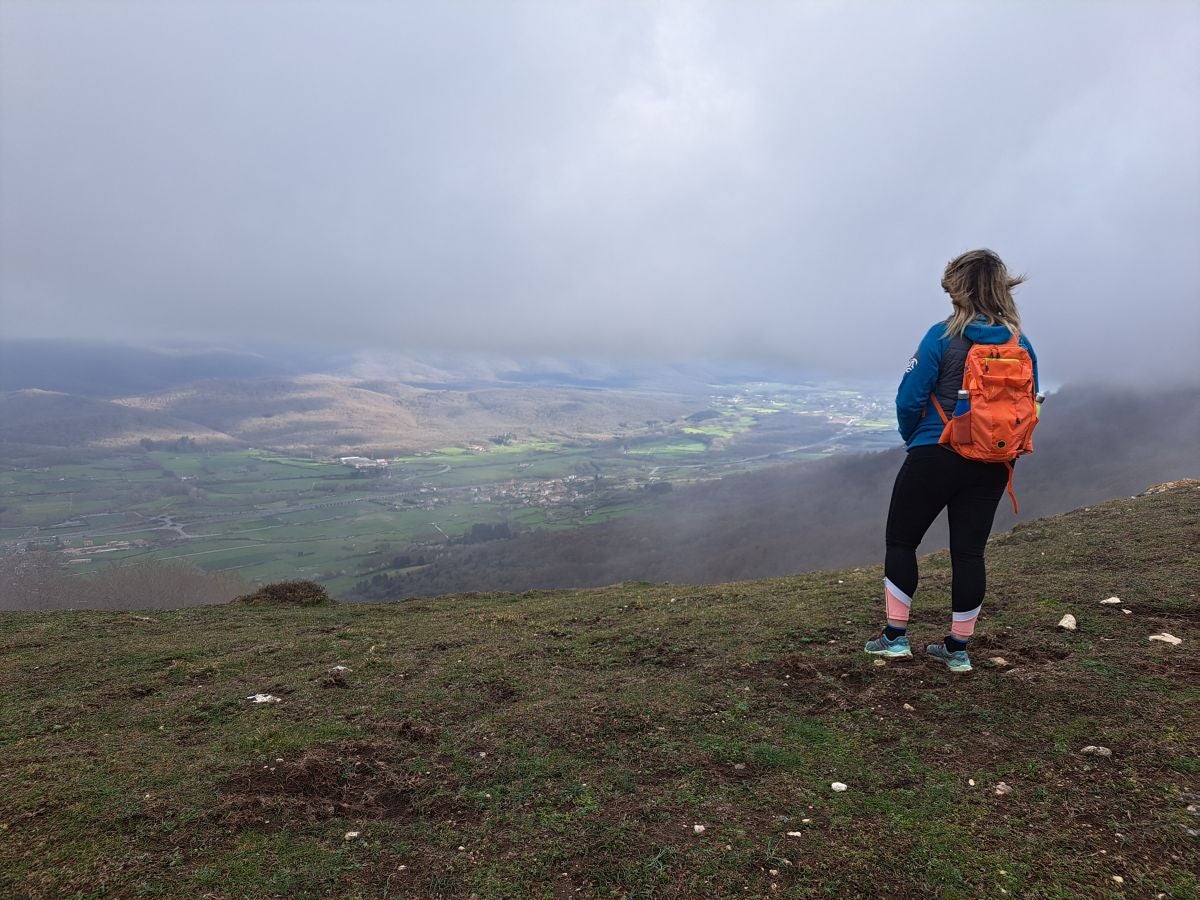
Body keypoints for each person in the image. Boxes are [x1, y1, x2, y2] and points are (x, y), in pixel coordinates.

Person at [863, 249, 1039, 673]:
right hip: (994, 462)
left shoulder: (940, 337)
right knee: (969, 553)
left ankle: (895, 638)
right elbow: (1027, 405)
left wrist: (917, 440)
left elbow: (909, 399)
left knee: (902, 542)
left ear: (958, 290)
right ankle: (957, 649)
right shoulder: (1021, 344)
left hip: (935, 453)